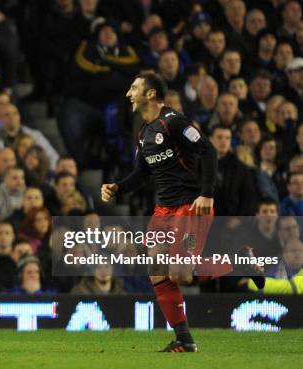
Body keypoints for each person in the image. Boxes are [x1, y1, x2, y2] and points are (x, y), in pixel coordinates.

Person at [100, 71, 261, 353]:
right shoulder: (144, 133)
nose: (128, 93)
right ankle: (184, 338)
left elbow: (209, 151)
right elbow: (142, 173)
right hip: (163, 210)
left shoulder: (173, 122)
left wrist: (207, 194)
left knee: (180, 275)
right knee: (157, 270)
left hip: (189, 206)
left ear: (151, 94)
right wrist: (118, 188)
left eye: (134, 87)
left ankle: (239, 262)